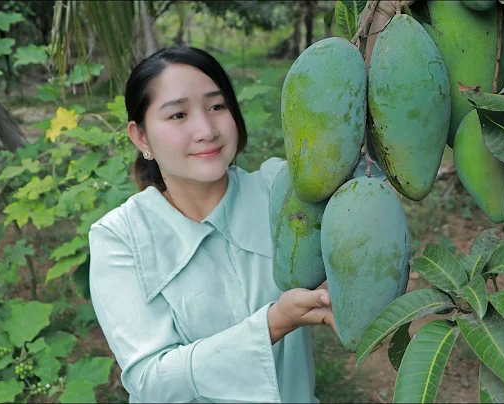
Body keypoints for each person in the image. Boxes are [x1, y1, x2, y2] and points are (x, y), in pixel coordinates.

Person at [88, 46, 337, 403]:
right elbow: (151, 381)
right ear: (141, 137)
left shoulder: (277, 189)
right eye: (177, 115)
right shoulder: (119, 238)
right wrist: (275, 322)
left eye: (217, 106)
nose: (206, 130)